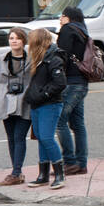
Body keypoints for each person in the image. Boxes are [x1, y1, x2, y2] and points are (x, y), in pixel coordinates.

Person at [23, 27, 67, 190]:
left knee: (47, 138)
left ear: (38, 42)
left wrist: (42, 95)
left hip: (50, 104)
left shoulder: (53, 59)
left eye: (31, 41)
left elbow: (60, 83)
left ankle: (60, 175)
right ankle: (43, 175)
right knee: (41, 137)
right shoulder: (38, 58)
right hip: (36, 104)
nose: (28, 44)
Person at [55, 5, 91, 175]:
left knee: (60, 121)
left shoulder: (68, 30)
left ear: (69, 17)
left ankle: (69, 162)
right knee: (78, 124)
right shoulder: (83, 31)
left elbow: (62, 55)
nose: (60, 19)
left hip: (70, 82)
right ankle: (82, 163)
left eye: (62, 16)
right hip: (82, 81)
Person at [0, 27, 32, 187]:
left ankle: (16, 172)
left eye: (17, 38)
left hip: (25, 103)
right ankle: (16, 171)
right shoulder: (0, 60)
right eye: (11, 38)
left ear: (23, 41)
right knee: (11, 138)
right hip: (6, 103)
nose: (14, 41)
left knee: (19, 137)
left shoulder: (32, 60)